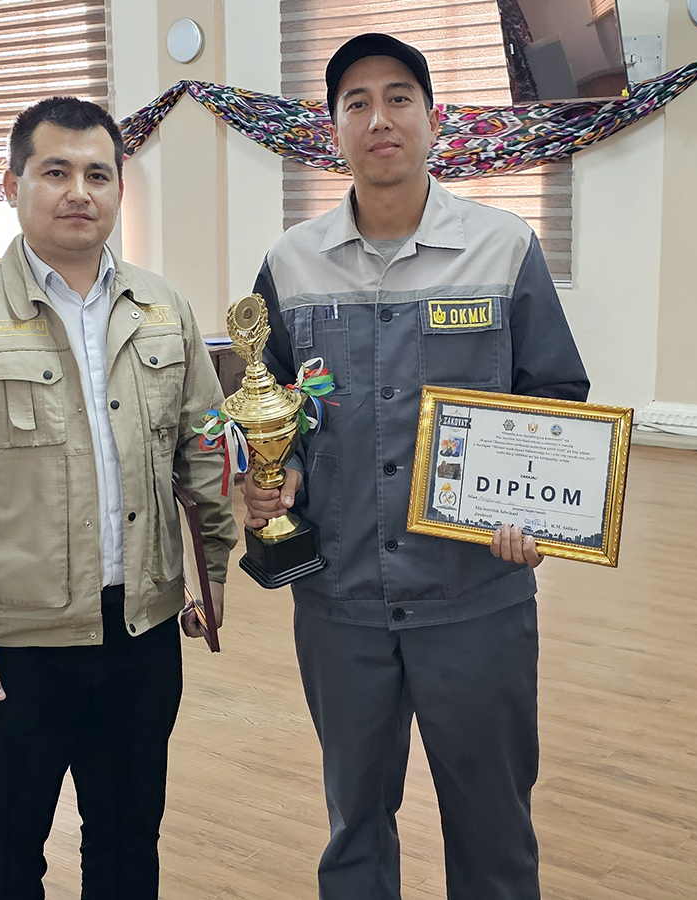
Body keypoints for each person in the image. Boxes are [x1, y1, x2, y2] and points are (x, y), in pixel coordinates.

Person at [242, 33, 589, 900]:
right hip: (341, 601)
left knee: (493, 830)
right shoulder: (290, 263)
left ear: (433, 120)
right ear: (333, 128)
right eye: (356, 103)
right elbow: (270, 401)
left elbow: (554, 395)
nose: (379, 119)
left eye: (399, 97)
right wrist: (272, 474)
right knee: (354, 825)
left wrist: (536, 514)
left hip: (476, 596)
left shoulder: (503, 247)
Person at [0, 96, 237, 899]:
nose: (79, 191)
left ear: (119, 190)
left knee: (128, 846)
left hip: (141, 631)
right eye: (56, 172)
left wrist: (210, 573)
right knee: (7, 856)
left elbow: (204, 449)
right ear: (13, 185)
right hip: (16, 643)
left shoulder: (162, 309)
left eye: (98, 175)